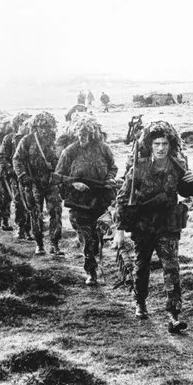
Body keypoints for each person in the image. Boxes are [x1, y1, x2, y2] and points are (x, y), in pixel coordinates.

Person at [113, 121, 193, 332]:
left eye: (164, 144)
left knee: (171, 268)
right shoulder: (139, 168)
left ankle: (173, 314)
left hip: (167, 225)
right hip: (143, 226)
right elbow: (122, 199)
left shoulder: (177, 165)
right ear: (150, 146)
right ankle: (140, 301)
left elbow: (187, 190)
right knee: (141, 267)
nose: (161, 148)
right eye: (157, 144)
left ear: (170, 145)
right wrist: (119, 230)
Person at [54, 113, 117, 284]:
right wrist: (74, 184)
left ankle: (95, 262)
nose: (83, 138)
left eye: (86, 135)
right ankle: (91, 272)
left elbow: (113, 167)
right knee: (86, 237)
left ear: (93, 134)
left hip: (100, 200)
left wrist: (110, 178)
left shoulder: (103, 148)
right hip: (79, 202)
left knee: (97, 237)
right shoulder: (70, 151)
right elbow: (58, 176)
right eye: (80, 134)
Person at [13, 112, 64, 256]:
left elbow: (60, 159)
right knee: (36, 213)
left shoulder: (54, 141)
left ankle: (55, 243)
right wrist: (23, 176)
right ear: (35, 126)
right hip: (34, 183)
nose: (44, 130)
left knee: (56, 211)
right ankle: (39, 243)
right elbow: (17, 159)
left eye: (47, 127)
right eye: (41, 127)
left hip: (51, 182)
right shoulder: (27, 140)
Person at [0, 112, 33, 239]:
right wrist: (10, 169)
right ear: (18, 124)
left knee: (31, 202)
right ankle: (21, 228)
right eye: (24, 123)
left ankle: (30, 228)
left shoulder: (31, 139)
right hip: (15, 176)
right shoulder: (9, 139)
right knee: (19, 201)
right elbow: (1, 157)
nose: (28, 125)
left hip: (29, 176)